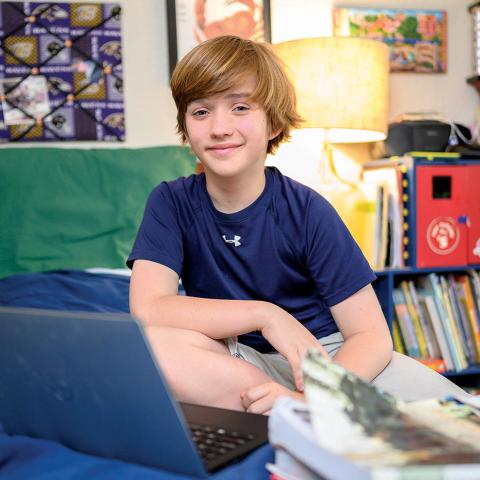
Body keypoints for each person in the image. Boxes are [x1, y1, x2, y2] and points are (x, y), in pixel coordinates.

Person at [127, 35, 467, 414]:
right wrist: (265, 315)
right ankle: (288, 412)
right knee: (151, 344)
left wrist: (312, 397)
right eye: (201, 112)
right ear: (186, 126)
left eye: (240, 107)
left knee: (456, 415)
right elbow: (148, 308)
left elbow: (369, 336)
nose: (220, 127)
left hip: (327, 358)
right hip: (238, 357)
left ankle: (295, 411)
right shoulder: (170, 201)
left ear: (273, 123)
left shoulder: (307, 209)